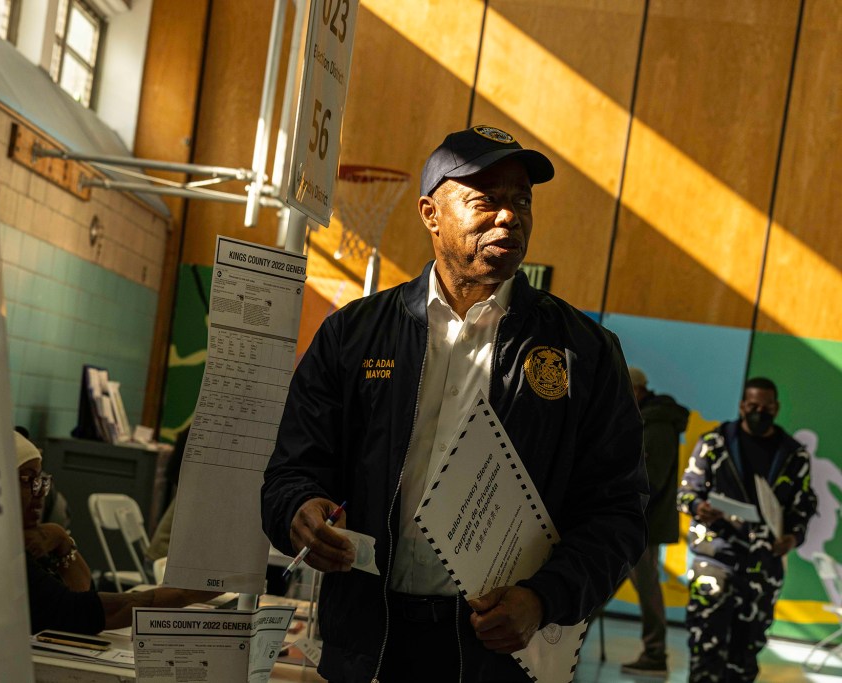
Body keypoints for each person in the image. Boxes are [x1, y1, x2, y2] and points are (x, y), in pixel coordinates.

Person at [261, 125, 649, 683]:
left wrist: (542, 599)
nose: (509, 216)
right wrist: (299, 512)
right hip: (369, 644)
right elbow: (291, 471)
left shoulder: (582, 352)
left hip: (504, 651)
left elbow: (619, 510)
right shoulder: (354, 335)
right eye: (486, 199)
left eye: (521, 200)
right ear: (430, 212)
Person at [677, 377, 817, 683]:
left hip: (763, 564)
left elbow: (803, 507)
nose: (759, 412)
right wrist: (699, 507)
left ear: (776, 408)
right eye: (753, 406)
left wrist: (792, 537)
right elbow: (687, 492)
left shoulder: (794, 456)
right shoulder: (715, 444)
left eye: (766, 407)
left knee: (747, 648)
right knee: (705, 641)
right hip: (715, 555)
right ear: (742, 406)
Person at [16, 432, 215, 634]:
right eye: (28, 479)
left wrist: (62, 540)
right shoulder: (7, 555)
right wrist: (183, 595)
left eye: (40, 479)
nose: (39, 491)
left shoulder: (36, 540)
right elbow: (77, 611)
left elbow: (82, 594)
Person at [621, 367, 689, 677]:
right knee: (605, 581)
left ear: (637, 390)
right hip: (634, 520)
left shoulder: (657, 423)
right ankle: (569, 641)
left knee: (647, 589)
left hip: (642, 523)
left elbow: (651, 480)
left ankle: (655, 654)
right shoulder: (650, 417)